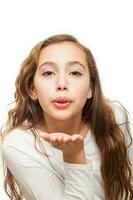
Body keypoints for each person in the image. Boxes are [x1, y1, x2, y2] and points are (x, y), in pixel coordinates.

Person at [0, 34, 133, 200]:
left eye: (75, 73)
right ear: (32, 90)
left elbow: (126, 192)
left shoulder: (114, 118)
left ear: (90, 88)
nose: (61, 84)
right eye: (48, 73)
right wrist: (74, 157)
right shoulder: (18, 144)